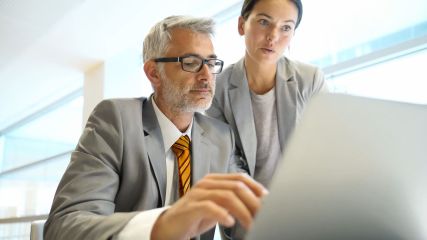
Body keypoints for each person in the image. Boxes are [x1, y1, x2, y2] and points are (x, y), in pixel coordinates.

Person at [43, 15, 267, 240]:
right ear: (153, 73)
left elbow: (243, 217)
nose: (206, 76)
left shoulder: (220, 136)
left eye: (210, 63)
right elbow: (64, 226)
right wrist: (162, 225)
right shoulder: (116, 120)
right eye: (190, 63)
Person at [206, 0, 327, 188]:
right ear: (241, 25)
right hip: (247, 203)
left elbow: (325, 146)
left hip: (304, 198)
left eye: (286, 27)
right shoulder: (218, 88)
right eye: (263, 22)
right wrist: (256, 201)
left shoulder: (311, 80)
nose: (273, 36)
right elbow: (226, 157)